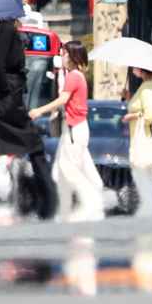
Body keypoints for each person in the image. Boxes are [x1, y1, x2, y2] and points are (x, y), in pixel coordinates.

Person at [0, 18, 57, 223]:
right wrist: (6, 90)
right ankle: (49, 204)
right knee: (34, 146)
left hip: (5, 105)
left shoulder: (8, 32)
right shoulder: (7, 31)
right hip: (6, 106)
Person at [30, 41, 103, 222]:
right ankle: (66, 209)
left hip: (73, 130)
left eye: (63, 54)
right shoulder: (75, 75)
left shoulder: (73, 76)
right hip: (73, 129)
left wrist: (39, 111)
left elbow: (63, 99)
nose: (61, 57)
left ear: (72, 56)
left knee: (67, 169)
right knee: (62, 171)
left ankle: (90, 204)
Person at [123, 67, 152, 218]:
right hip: (151, 137)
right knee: (149, 174)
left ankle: (151, 203)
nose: (134, 69)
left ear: (143, 70)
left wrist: (132, 116)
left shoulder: (148, 88)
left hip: (146, 137)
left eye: (136, 67)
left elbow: (149, 115)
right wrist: (130, 98)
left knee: (140, 172)